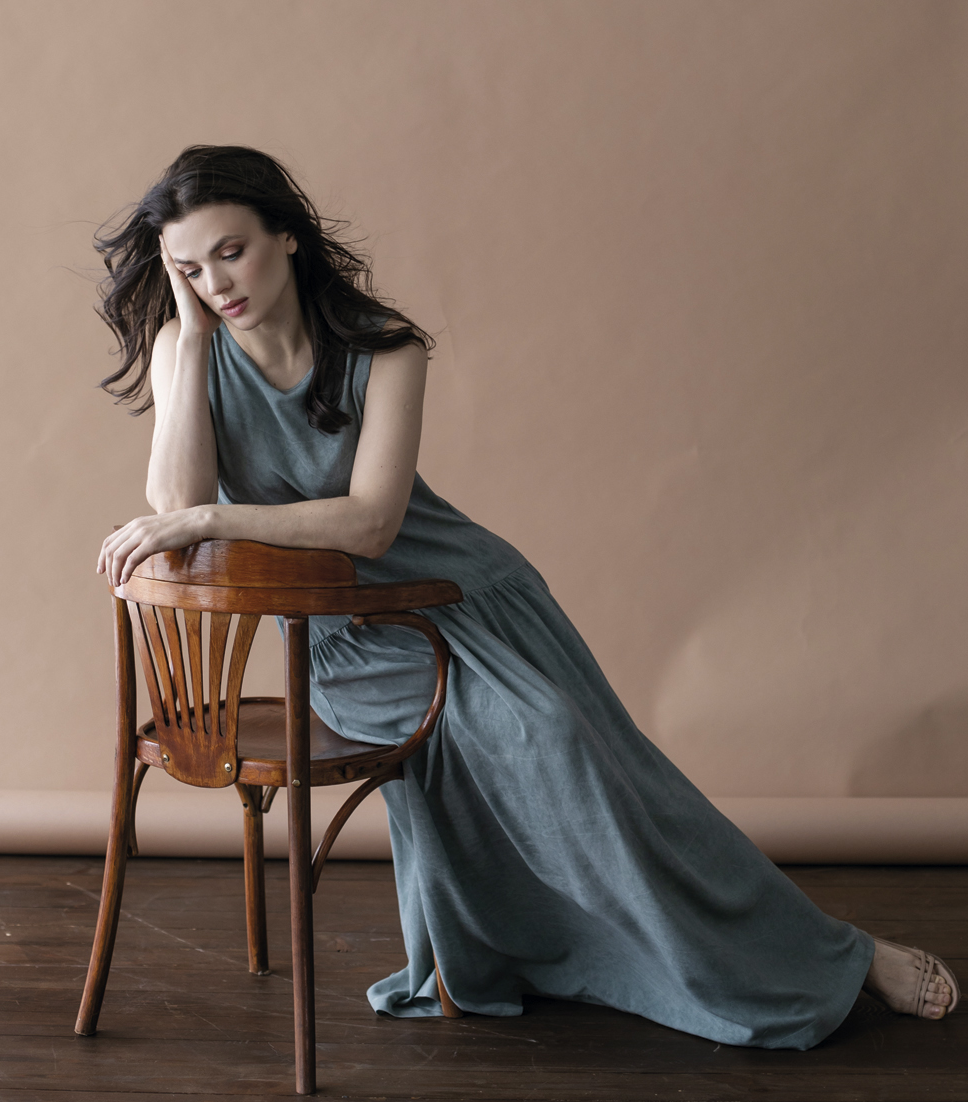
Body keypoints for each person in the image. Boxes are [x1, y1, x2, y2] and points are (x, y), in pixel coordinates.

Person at [95, 144, 957, 1045]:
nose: (216, 284)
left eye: (231, 252)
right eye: (190, 268)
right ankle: (595, 951)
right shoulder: (187, 348)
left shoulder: (384, 348)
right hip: (350, 642)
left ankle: (838, 956)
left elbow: (371, 525)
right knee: (552, 747)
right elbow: (177, 502)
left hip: (470, 595)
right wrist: (190, 340)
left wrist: (217, 521)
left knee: (625, 783)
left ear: (287, 236)